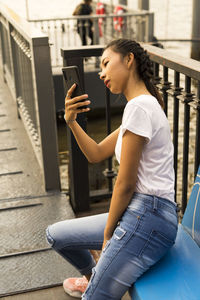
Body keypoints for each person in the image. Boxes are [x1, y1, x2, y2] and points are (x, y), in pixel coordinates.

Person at [46, 38, 178, 299]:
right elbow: (95, 153)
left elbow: (125, 184)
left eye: (106, 63)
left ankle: (96, 285)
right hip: (140, 213)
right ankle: (95, 277)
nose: (101, 72)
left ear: (129, 60)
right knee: (56, 235)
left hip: (149, 217)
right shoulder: (142, 106)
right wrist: (70, 122)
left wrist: (108, 236)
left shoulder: (139, 106)